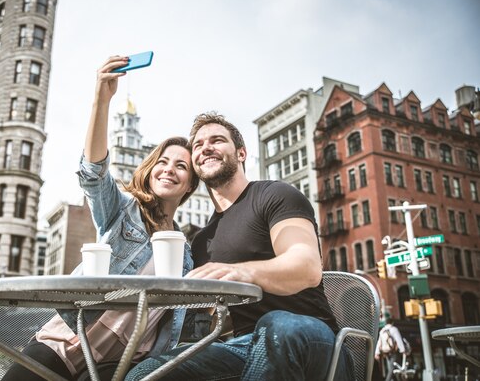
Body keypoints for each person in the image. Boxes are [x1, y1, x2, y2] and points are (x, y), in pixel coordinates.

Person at [2, 56, 199, 381]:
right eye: (163, 162)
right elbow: (93, 173)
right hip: (65, 344)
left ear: (191, 183)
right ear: (150, 172)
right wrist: (101, 98)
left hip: (124, 367)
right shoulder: (124, 211)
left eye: (181, 166)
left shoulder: (186, 255)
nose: (170, 169)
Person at [126, 112, 353, 380]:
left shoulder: (275, 195)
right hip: (244, 347)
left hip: (312, 340)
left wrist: (240, 272)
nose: (205, 148)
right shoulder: (201, 242)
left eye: (217, 140)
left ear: (241, 153)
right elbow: (214, 320)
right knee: (147, 373)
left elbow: (306, 267)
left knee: (277, 324)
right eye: (197, 145)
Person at [375, 314, 406, 381]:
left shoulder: (382, 330)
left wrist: (376, 353)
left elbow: (379, 342)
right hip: (393, 352)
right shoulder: (394, 329)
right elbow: (398, 340)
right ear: (392, 322)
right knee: (393, 369)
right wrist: (403, 350)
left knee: (392, 368)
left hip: (386, 352)